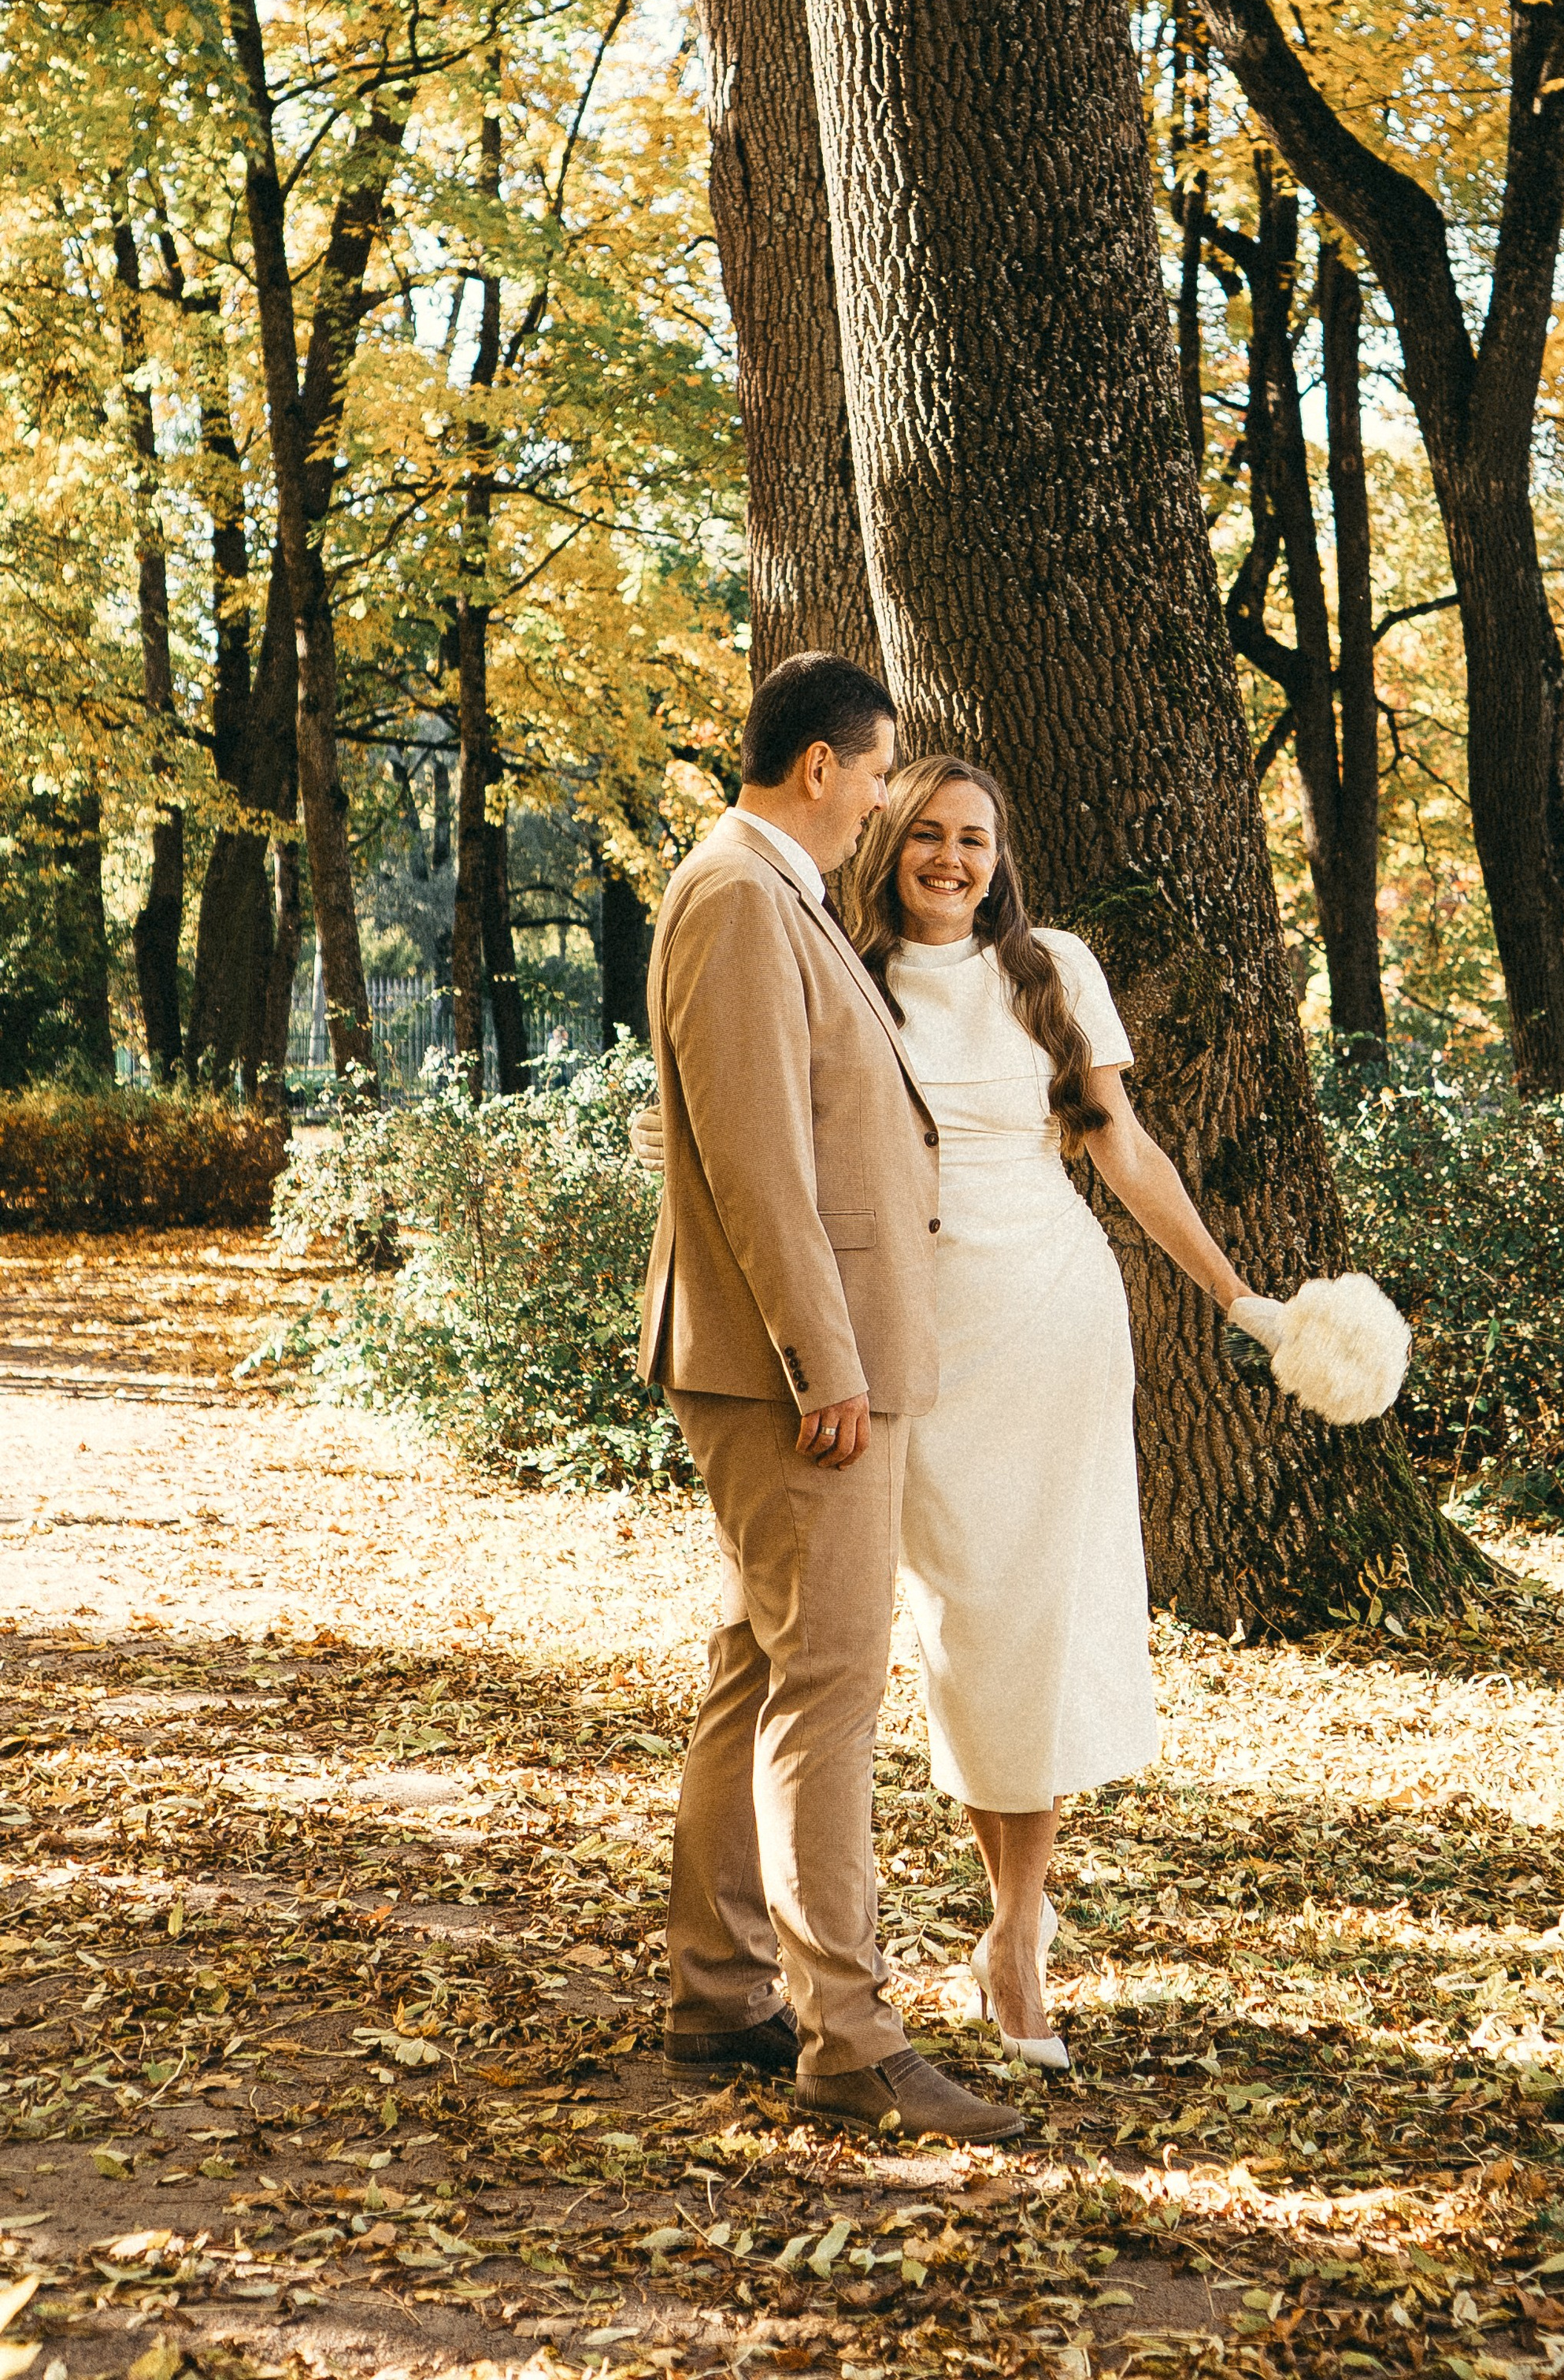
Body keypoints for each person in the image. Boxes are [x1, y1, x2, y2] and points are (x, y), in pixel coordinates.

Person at [636, 655, 1025, 2145]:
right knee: (831, 1689)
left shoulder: (766, 890)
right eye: (875, 778)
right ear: (820, 766)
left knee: (759, 1669)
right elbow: (756, 1165)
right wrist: (827, 1367)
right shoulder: (740, 896)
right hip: (789, 1372)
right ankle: (850, 2043)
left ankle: (721, 1992)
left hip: (782, 1362)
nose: (882, 803)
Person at [849, 754, 1258, 2069]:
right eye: (927, 835)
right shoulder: (844, 972)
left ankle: (1017, 1930)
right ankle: (1005, 1919)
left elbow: (1122, 1151)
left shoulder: (1054, 970)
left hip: (1055, 1319)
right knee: (966, 1623)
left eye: (975, 837)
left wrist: (1237, 1295)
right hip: (919, 1335)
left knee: (1044, 1616)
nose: (952, 860)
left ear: (999, 854)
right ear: (890, 845)